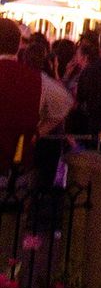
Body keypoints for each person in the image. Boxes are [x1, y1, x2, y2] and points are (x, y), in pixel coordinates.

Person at [0, 17, 72, 183]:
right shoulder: (38, 80)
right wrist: (39, 131)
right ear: (18, 45)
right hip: (16, 171)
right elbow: (65, 103)